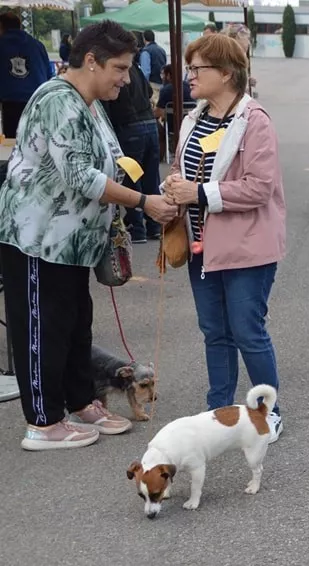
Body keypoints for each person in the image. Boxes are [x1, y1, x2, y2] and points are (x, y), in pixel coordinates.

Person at [0, 21, 178, 451]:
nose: (126, 78)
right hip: (39, 238)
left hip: (72, 241)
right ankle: (43, 423)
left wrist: (155, 187)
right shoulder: (59, 101)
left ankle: (81, 401)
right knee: (44, 328)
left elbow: (111, 159)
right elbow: (81, 176)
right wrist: (143, 202)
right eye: (119, 68)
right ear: (91, 60)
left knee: (76, 324)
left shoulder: (90, 99)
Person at [163, 33, 287, 442]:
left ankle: (268, 412)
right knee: (214, 331)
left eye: (197, 69)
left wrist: (198, 193)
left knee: (247, 331)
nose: (189, 76)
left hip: (246, 247)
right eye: (189, 69)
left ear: (227, 73)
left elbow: (259, 187)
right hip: (202, 247)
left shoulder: (255, 120)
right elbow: (186, 169)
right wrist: (175, 187)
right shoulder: (193, 118)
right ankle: (218, 411)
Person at [103, 31, 162, 243]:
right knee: (150, 177)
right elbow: (147, 93)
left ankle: (137, 228)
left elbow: (108, 107)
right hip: (150, 125)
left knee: (131, 178)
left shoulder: (117, 71)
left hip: (129, 127)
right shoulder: (135, 69)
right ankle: (155, 225)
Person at [0, 12, 51, 139]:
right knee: (35, 141)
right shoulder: (37, 45)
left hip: (10, 103)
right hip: (38, 101)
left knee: (12, 143)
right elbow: (49, 74)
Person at [141, 30, 166, 103]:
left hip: (152, 86)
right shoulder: (162, 50)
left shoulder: (146, 51)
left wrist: (144, 87)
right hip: (162, 84)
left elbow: (145, 72)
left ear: (144, 39)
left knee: (154, 110)